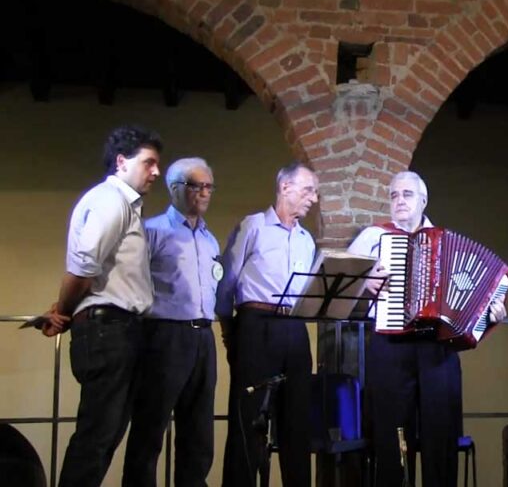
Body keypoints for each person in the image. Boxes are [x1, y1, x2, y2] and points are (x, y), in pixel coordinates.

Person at [347, 170, 506, 487]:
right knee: (391, 434)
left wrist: (492, 314)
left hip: (437, 347)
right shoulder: (372, 237)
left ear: (423, 200)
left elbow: (473, 296)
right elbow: (343, 282)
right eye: (394, 195)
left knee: (441, 432)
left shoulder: (444, 242)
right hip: (389, 346)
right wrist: (364, 281)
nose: (399, 201)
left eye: (406, 194)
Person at [40, 125, 163, 486]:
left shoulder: (124, 204)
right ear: (122, 162)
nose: (156, 171)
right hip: (108, 330)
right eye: (149, 162)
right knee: (96, 437)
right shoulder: (111, 200)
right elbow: (83, 267)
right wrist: (63, 311)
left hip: (118, 329)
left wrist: (64, 307)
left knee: (104, 435)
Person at [216, 162, 319, 487]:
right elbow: (226, 284)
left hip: (294, 329)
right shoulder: (253, 226)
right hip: (255, 325)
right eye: (308, 190)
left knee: (297, 422)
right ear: (285, 187)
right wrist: (230, 333)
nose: (314, 198)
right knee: (248, 421)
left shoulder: (306, 240)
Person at [123, 158, 220, 486]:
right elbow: (130, 282)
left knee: (199, 432)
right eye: (196, 186)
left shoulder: (209, 239)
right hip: (165, 335)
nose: (204, 193)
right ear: (175, 188)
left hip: (203, 337)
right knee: (150, 428)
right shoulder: (152, 231)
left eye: (209, 186)